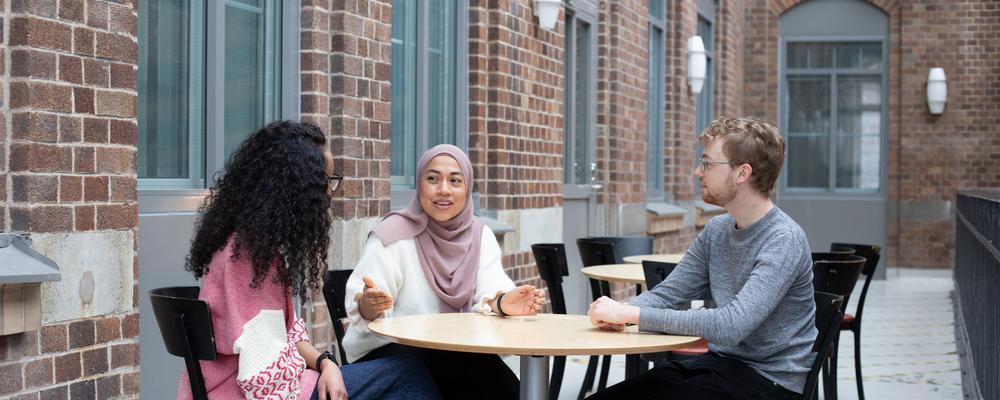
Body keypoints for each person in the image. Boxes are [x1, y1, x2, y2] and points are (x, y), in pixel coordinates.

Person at [177, 121, 439, 400]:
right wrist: (321, 375)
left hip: (262, 385)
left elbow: (287, 334)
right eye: (324, 181)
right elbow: (262, 377)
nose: (329, 191)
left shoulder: (254, 248)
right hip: (246, 392)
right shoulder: (244, 259)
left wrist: (326, 364)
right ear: (296, 186)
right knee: (407, 373)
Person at [586, 117, 815, 400]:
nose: (698, 171)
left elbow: (732, 326)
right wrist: (619, 310)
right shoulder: (717, 230)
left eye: (707, 163)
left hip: (770, 381)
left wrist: (632, 315)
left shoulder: (783, 239)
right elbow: (669, 294)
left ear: (742, 173)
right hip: (718, 366)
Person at [342, 144, 546, 399]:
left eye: (455, 180)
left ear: (468, 188)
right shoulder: (392, 235)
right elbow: (366, 300)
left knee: (488, 370)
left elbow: (491, 285)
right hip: (391, 353)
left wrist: (502, 302)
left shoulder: (480, 235)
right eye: (433, 179)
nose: (444, 190)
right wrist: (369, 305)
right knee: (465, 365)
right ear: (419, 184)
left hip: (454, 354)